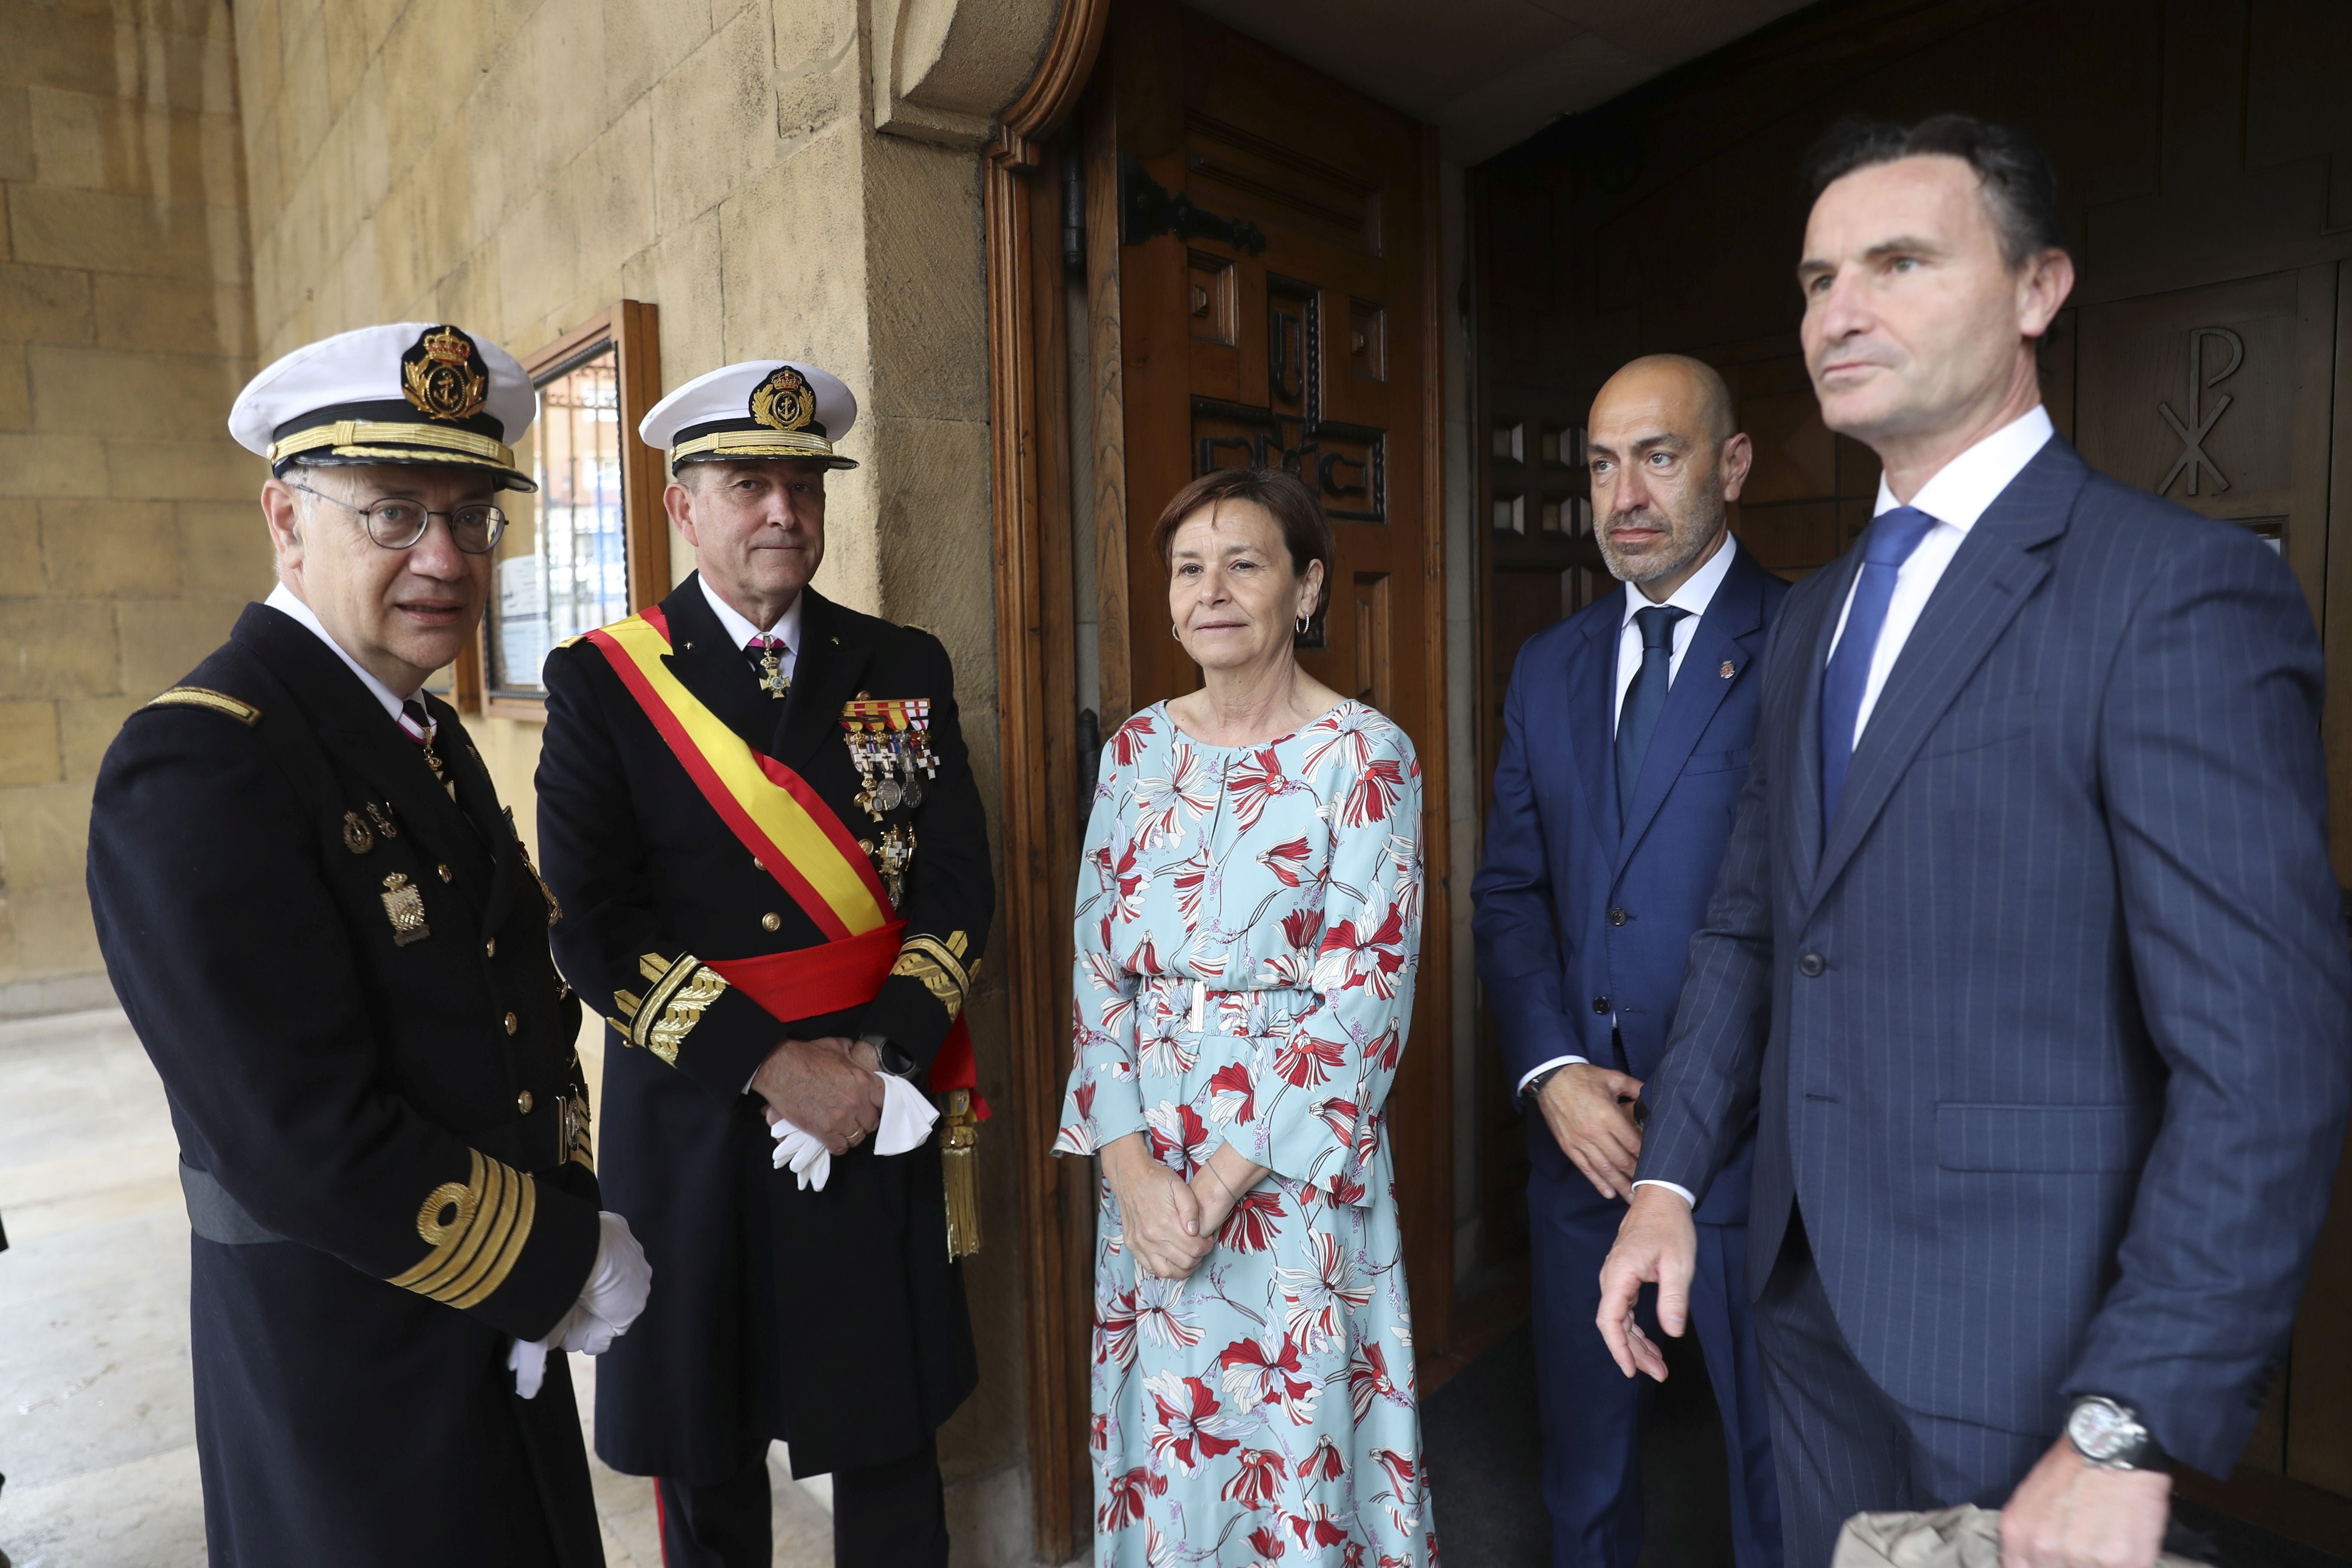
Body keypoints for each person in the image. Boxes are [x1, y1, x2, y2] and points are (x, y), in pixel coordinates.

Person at [1596, 114, 2352, 1568]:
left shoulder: (2172, 592)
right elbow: (1755, 925)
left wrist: (2127, 1413)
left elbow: (2266, 1053)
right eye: (1818, 279)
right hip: (1801, 1307)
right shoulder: (1808, 615)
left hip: (2036, 1350)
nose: (1841, 311)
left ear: (2037, 289)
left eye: (1898, 261)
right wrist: (1671, 1178)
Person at [86, 322, 651, 1567]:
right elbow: (294, 1132)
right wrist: (553, 1254)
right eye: (393, 514)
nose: (445, 558)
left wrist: (558, 1225)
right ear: (287, 520)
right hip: (351, 1358)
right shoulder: (203, 757)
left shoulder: (421, 734)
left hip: (497, 1325)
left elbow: (515, 1012)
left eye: (471, 515)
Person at [536, 358, 994, 1568]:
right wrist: (770, 1065)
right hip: (698, 1110)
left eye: (803, 482)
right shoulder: (604, 681)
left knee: (889, 1440)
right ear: (684, 506)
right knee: (709, 1448)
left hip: (874, 1096)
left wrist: (875, 1056)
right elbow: (592, 922)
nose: (782, 510)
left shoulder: (903, 664)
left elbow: (954, 891)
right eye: (748, 483)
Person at [1054, 466, 1436, 1567]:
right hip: (1148, 1172)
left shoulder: (1367, 755)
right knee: (1166, 1459)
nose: (1210, 590)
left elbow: (1363, 1000)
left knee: (1294, 1447)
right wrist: (1132, 1175)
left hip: (1288, 1178)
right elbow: (1097, 968)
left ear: (1307, 589)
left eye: (1245, 563)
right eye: (1188, 567)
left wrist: (1213, 1187)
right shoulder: (1133, 751)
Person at [1473, 355, 1785, 1568]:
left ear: (1734, 463)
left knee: (1774, 1481)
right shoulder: (1549, 667)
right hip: (1585, 1145)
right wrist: (1551, 1071)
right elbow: (1511, 895)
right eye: (1602, 463)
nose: (1625, 494)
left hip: (1761, 1158)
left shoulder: (1804, 638)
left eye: (1659, 455)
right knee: (1585, 1478)